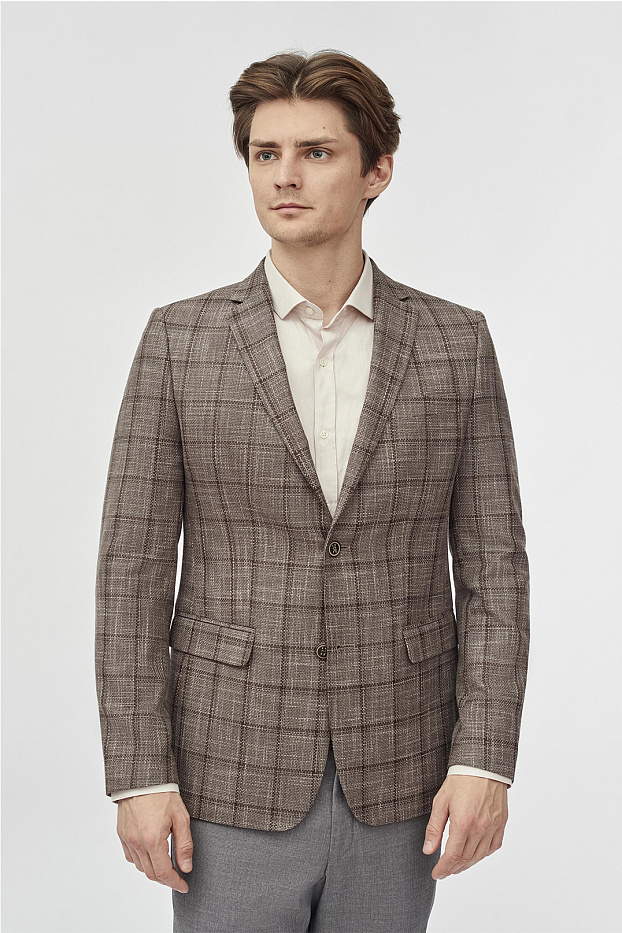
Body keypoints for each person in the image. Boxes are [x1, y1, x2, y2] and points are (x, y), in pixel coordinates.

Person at [95, 49, 530, 933]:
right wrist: (139, 773)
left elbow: (497, 572)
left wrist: (485, 759)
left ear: (378, 171)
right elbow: (130, 574)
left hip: (402, 773)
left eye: (316, 152)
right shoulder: (181, 341)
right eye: (266, 153)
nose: (284, 176)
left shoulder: (456, 343)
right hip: (228, 772)